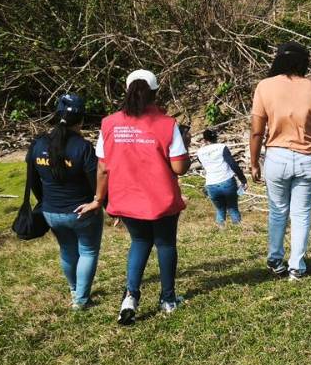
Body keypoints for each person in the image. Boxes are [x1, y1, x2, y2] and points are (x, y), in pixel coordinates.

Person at [77, 69, 189, 325]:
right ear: (155, 93)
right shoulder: (167, 124)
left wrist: (98, 198)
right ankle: (168, 299)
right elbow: (179, 168)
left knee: (139, 242)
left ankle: (130, 297)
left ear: (126, 90)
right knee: (166, 245)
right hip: (162, 200)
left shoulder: (108, 124)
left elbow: (103, 168)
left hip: (126, 200)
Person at [249, 42, 311, 281]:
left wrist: (254, 163)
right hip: (309, 157)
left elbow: (256, 131)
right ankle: (297, 266)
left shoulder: (265, 87)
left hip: (277, 157)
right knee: (302, 213)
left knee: (278, 211)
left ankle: (276, 260)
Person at [27, 93, 103, 310]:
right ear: (81, 120)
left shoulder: (38, 144)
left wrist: (45, 202)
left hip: (52, 211)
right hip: (82, 211)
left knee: (67, 250)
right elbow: (94, 180)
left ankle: (74, 290)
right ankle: (81, 299)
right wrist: (98, 202)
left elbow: (33, 181)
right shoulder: (83, 147)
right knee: (88, 251)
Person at [196, 129, 247, 226]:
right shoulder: (222, 147)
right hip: (227, 181)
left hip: (211, 184)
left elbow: (203, 164)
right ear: (216, 137)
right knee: (233, 208)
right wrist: (242, 179)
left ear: (204, 139)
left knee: (220, 210)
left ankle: (221, 231)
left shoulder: (199, 152)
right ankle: (238, 230)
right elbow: (232, 164)